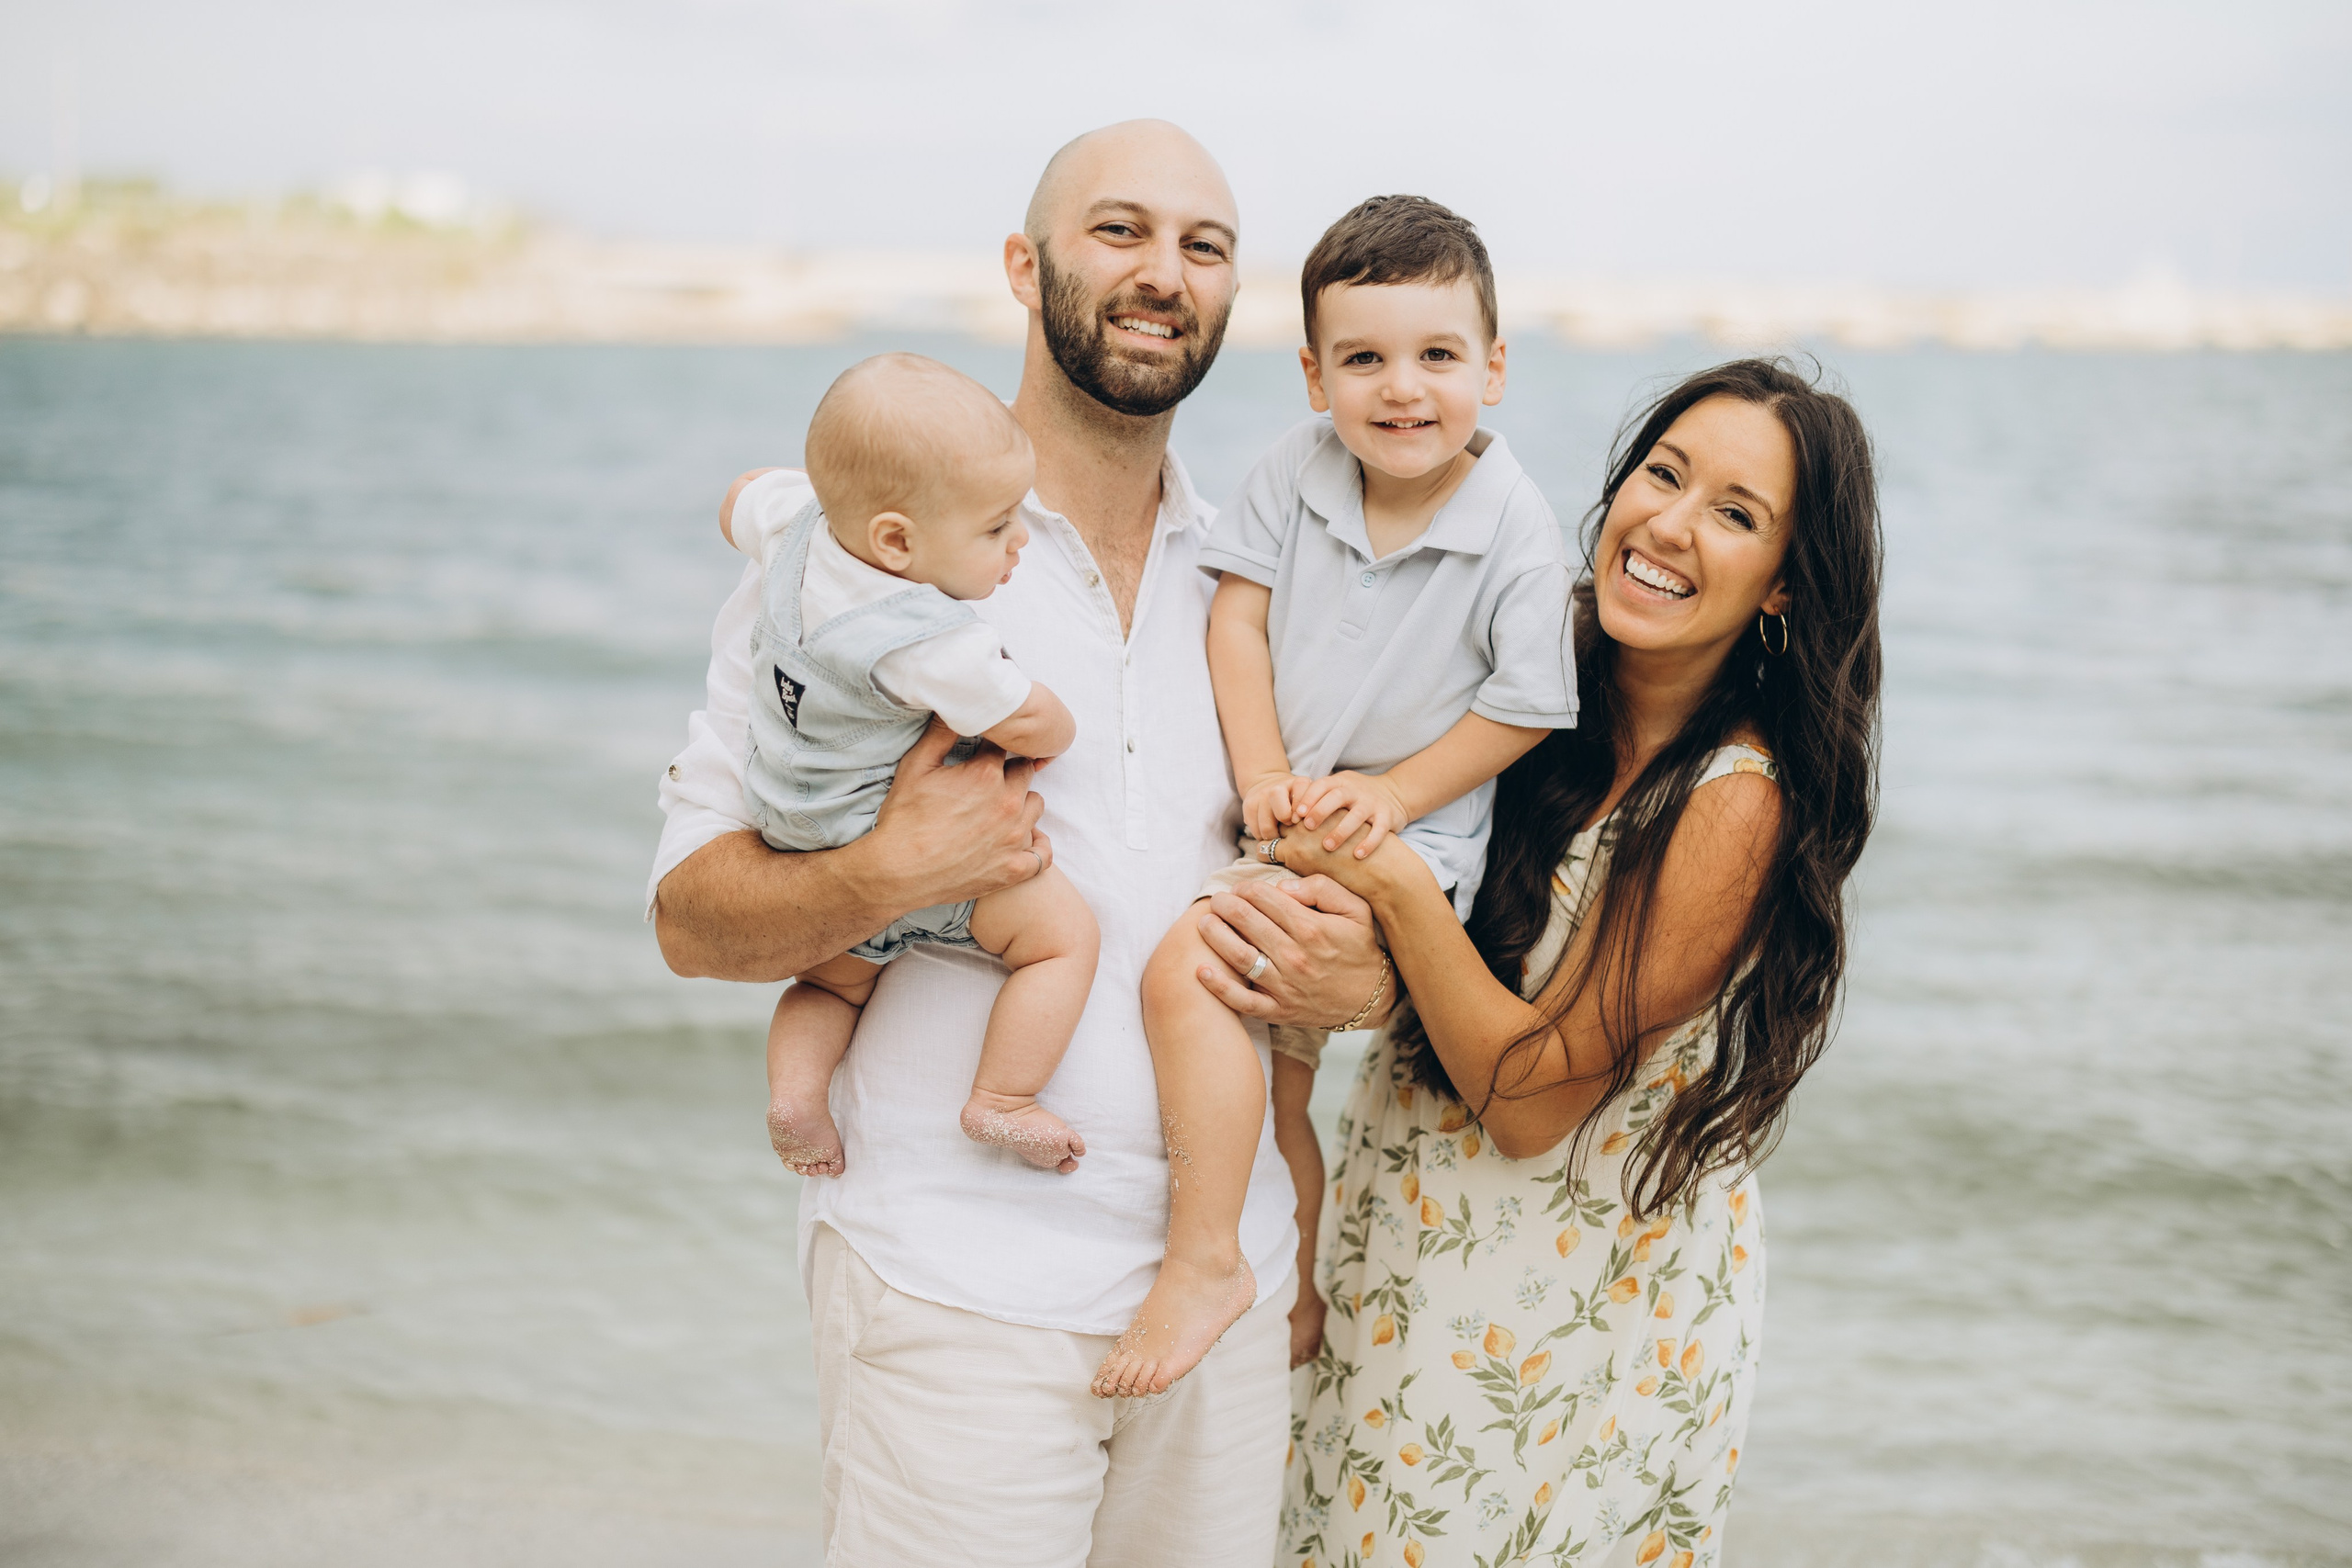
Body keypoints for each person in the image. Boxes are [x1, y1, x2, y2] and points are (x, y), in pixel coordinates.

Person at [647, 120, 1391, 1567]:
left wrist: (1356, 975)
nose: (1162, 273)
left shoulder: (1267, 579)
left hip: (1218, 1288)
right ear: (1023, 264)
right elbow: (692, 920)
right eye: (1119, 230)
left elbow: (1334, 903)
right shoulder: (863, 565)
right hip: (949, 1291)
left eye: (1204, 244)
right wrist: (893, 868)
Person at [1249, 359, 1883, 1567]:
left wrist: (1380, 870)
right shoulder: (1530, 674)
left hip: (1580, 1319)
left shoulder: (1732, 799)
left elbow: (1535, 1097)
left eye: (1735, 513)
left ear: (1787, 585)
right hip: (1409, 1250)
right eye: (1665, 473)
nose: (1670, 524)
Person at [1096, 197, 1578, 1401]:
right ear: (1315, 375)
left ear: (1495, 368)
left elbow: (1528, 704)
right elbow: (1239, 613)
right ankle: (1296, 1283)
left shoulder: (1515, 530)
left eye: (1437, 356)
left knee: (1182, 970)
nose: (1401, 388)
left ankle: (1205, 1259)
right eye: (1363, 359)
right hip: (1290, 813)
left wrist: (1393, 795)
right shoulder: (1297, 471)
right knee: (1283, 1086)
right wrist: (1260, 770)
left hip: (1409, 843)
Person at [729, 354, 1099, 1179]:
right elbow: (1033, 722)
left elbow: (744, 494)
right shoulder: (924, 634)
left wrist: (768, 497)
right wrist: (1062, 720)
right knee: (1062, 941)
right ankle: (1001, 1098)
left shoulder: (794, 527)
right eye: (997, 526)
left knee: (828, 988)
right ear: (896, 542)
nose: (1019, 541)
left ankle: (795, 1097)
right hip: (902, 845)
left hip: (799, 833)